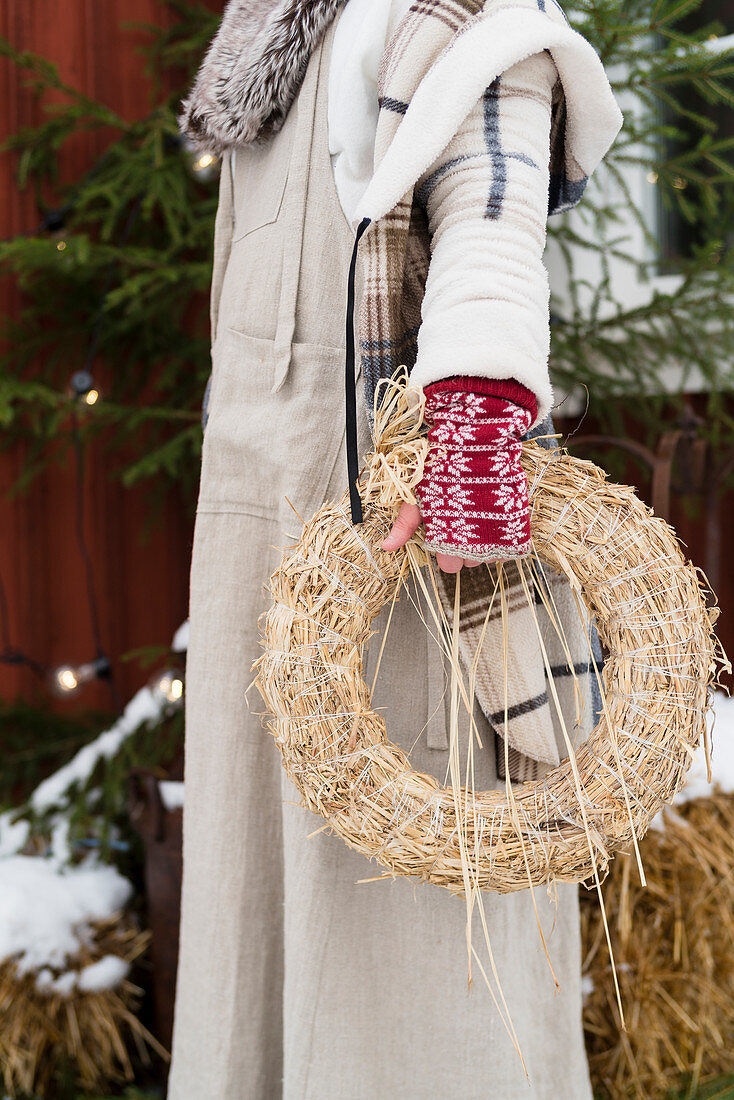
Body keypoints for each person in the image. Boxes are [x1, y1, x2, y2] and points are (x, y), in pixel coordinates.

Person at [167, 1, 622, 1097]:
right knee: (254, 900)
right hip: (256, 521)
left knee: (410, 922)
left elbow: (491, 210)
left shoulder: (457, 11)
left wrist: (472, 409)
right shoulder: (267, 25)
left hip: (399, 533)